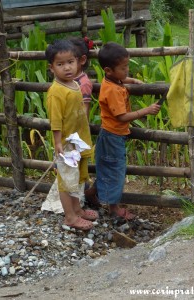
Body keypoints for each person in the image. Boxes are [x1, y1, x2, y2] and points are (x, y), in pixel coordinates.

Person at [95, 42, 161, 220]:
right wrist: (146, 110)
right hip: (113, 135)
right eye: (124, 68)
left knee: (106, 167)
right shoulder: (113, 91)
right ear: (109, 70)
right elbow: (121, 117)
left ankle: (92, 194)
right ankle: (114, 209)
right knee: (116, 171)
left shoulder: (110, 80)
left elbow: (120, 80)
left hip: (109, 134)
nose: (127, 71)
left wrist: (131, 80)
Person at [45, 39, 98, 230]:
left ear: (78, 62)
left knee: (78, 179)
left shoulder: (74, 85)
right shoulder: (56, 91)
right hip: (66, 145)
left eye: (70, 62)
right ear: (52, 68)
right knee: (67, 182)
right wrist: (58, 142)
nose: (67, 68)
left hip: (79, 142)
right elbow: (56, 120)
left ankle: (78, 210)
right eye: (60, 64)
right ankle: (70, 217)